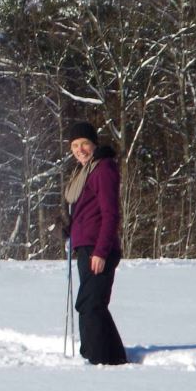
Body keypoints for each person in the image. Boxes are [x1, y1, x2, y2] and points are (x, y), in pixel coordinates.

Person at [63, 120, 128, 365]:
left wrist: (101, 251)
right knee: (92, 304)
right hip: (85, 247)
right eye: (75, 145)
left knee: (90, 304)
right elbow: (87, 213)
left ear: (94, 144)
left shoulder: (103, 169)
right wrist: (69, 226)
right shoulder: (84, 172)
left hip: (98, 249)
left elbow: (110, 214)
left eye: (84, 144)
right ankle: (106, 355)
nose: (80, 149)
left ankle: (101, 359)